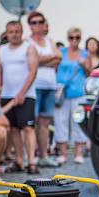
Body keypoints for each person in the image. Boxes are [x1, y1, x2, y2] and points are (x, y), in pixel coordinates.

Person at [0, 20, 39, 174]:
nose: (14, 34)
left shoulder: (29, 48)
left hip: (26, 95)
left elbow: (33, 71)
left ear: (21, 32)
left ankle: (32, 162)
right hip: (7, 95)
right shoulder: (1, 50)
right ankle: (19, 161)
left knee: (28, 128)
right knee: (14, 129)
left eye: (17, 31)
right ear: (7, 33)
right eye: (11, 32)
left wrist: (22, 92)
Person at [26, 11, 61, 168]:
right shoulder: (27, 42)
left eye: (40, 21)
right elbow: (32, 61)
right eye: (34, 22)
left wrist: (40, 61)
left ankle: (43, 156)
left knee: (45, 122)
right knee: (31, 122)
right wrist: (48, 59)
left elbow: (59, 57)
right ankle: (30, 156)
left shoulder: (49, 40)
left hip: (50, 85)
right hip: (34, 86)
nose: (37, 25)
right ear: (30, 25)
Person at [54, 27, 91, 164]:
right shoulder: (61, 52)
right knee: (60, 121)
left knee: (78, 122)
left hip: (78, 93)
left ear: (80, 38)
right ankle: (63, 154)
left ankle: (79, 154)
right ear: (68, 38)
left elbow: (90, 73)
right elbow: (54, 69)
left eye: (77, 37)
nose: (74, 40)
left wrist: (84, 65)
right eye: (71, 37)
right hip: (61, 93)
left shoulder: (85, 54)